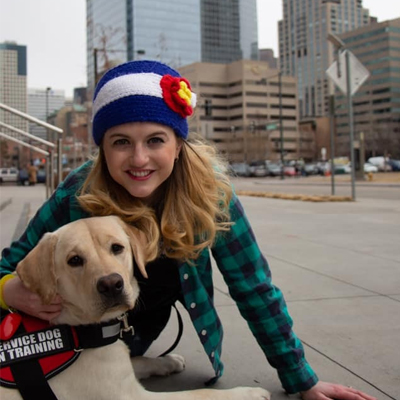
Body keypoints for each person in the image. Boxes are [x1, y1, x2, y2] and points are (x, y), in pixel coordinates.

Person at [0, 60, 375, 400]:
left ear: (178, 145)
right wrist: (9, 289)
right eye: (121, 143)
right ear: (102, 150)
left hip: (130, 341)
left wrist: (301, 379)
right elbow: (9, 266)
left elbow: (254, 288)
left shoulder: (210, 195)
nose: (139, 158)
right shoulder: (76, 192)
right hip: (69, 341)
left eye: (155, 140)